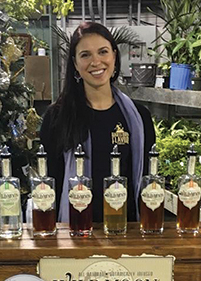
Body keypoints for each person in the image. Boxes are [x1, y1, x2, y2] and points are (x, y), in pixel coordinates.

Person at [40, 22, 155, 223]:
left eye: (103, 52)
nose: (96, 61)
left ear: (114, 56)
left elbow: (147, 182)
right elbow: (50, 186)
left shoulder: (140, 118)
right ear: (75, 64)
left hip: (126, 235)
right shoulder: (57, 118)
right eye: (85, 55)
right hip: (74, 235)